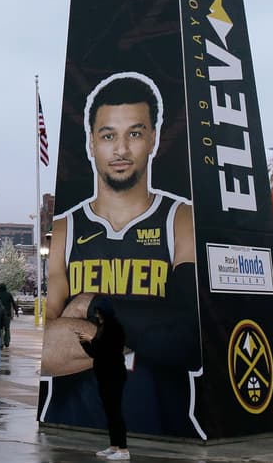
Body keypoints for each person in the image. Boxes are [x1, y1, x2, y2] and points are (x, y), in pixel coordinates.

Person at [40, 72, 200, 438]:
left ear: (154, 138)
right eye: (108, 135)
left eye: (135, 133)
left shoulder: (180, 219)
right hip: (71, 431)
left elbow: (188, 337)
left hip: (161, 432)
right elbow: (47, 346)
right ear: (91, 143)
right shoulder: (66, 228)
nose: (121, 150)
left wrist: (91, 304)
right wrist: (142, 335)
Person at [78, 303, 129, 460]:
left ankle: (123, 449)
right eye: (96, 313)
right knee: (109, 412)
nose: (97, 316)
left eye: (99, 313)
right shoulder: (102, 328)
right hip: (104, 376)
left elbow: (110, 350)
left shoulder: (115, 328)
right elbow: (96, 353)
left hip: (114, 376)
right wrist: (84, 343)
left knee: (115, 412)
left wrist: (91, 339)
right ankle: (114, 446)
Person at [0, 282, 18, 348]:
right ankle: (7, 342)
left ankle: (1, 343)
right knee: (7, 328)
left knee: (0, 328)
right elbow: (13, 303)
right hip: (7, 314)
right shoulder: (9, 294)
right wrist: (16, 311)